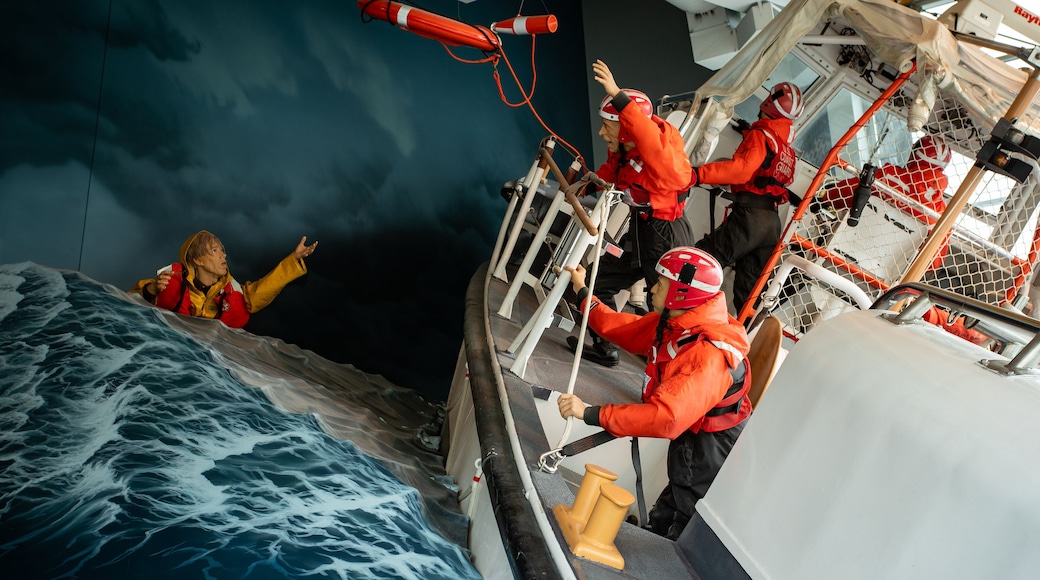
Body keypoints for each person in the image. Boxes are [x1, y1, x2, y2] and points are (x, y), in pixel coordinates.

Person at [558, 246, 751, 540]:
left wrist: (590, 413)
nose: (652, 288)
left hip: (710, 449)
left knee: (685, 510)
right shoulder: (682, 325)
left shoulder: (705, 354)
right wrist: (584, 293)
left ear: (681, 294)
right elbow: (622, 327)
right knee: (676, 494)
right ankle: (656, 532)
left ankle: (662, 545)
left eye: (661, 283)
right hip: (695, 439)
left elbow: (666, 418)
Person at [569, 59, 694, 367]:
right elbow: (610, 174)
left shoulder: (661, 156)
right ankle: (606, 347)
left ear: (626, 128)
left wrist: (617, 94)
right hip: (642, 232)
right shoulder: (625, 151)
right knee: (597, 281)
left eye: (607, 126)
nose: (601, 133)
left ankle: (667, 373)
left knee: (666, 311)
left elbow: (649, 139)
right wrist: (579, 188)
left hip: (665, 237)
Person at [692, 82, 803, 314]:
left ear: (769, 102)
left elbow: (741, 170)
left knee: (700, 262)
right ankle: (748, 333)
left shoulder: (761, 136)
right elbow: (766, 163)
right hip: (771, 224)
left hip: (750, 219)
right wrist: (747, 133)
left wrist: (697, 174)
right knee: (749, 296)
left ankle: (673, 321)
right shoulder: (786, 149)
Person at [129, 230, 317, 328]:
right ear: (198, 260)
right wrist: (151, 290)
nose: (223, 255)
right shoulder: (167, 281)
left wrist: (294, 259)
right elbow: (125, 302)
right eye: (214, 250)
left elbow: (263, 290)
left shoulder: (233, 292)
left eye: (222, 250)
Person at [817, 135, 952, 271]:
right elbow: (933, 263)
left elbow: (842, 194)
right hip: (884, 276)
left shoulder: (888, 176)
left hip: (836, 254)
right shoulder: (941, 214)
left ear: (914, 155)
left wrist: (826, 197)